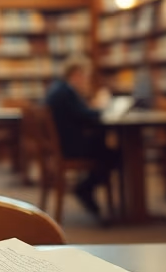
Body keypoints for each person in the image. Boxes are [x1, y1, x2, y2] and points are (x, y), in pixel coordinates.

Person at [44, 57, 120, 222]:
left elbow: (79, 114)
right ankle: (85, 188)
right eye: (85, 76)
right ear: (76, 74)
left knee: (107, 148)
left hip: (64, 144)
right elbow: (85, 116)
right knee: (116, 154)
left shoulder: (59, 89)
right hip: (70, 147)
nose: (86, 80)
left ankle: (87, 188)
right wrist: (102, 108)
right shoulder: (66, 92)